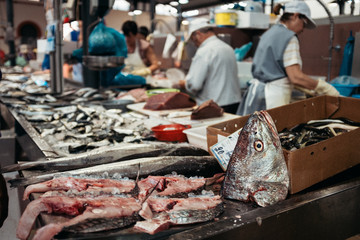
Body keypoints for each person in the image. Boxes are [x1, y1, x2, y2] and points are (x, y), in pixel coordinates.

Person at [237, 0, 339, 116]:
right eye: (304, 24)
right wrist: (323, 87)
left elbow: (275, 71)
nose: (303, 30)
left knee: (254, 130)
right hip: (272, 98)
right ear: (296, 16)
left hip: (258, 95)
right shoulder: (289, 37)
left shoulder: (268, 33)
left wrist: (307, 88)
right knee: (270, 131)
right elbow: (295, 77)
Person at [174, 18, 242, 114]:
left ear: (198, 34)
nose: (194, 43)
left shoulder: (204, 51)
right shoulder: (228, 48)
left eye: (193, 39)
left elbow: (194, 85)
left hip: (213, 106)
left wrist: (183, 84)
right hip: (234, 103)